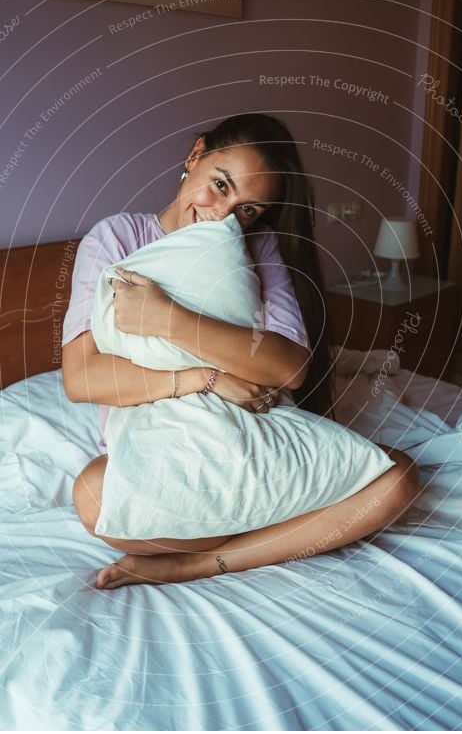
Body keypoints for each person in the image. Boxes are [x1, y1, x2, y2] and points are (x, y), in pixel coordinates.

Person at [62, 113, 419, 590]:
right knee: (92, 495)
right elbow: (83, 378)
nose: (222, 215)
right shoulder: (117, 239)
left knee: (399, 482)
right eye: (220, 184)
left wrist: (168, 317)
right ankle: (283, 521)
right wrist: (202, 378)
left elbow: (290, 368)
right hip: (161, 452)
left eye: (247, 209)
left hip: (253, 437)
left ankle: (200, 562)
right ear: (195, 155)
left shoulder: (258, 246)